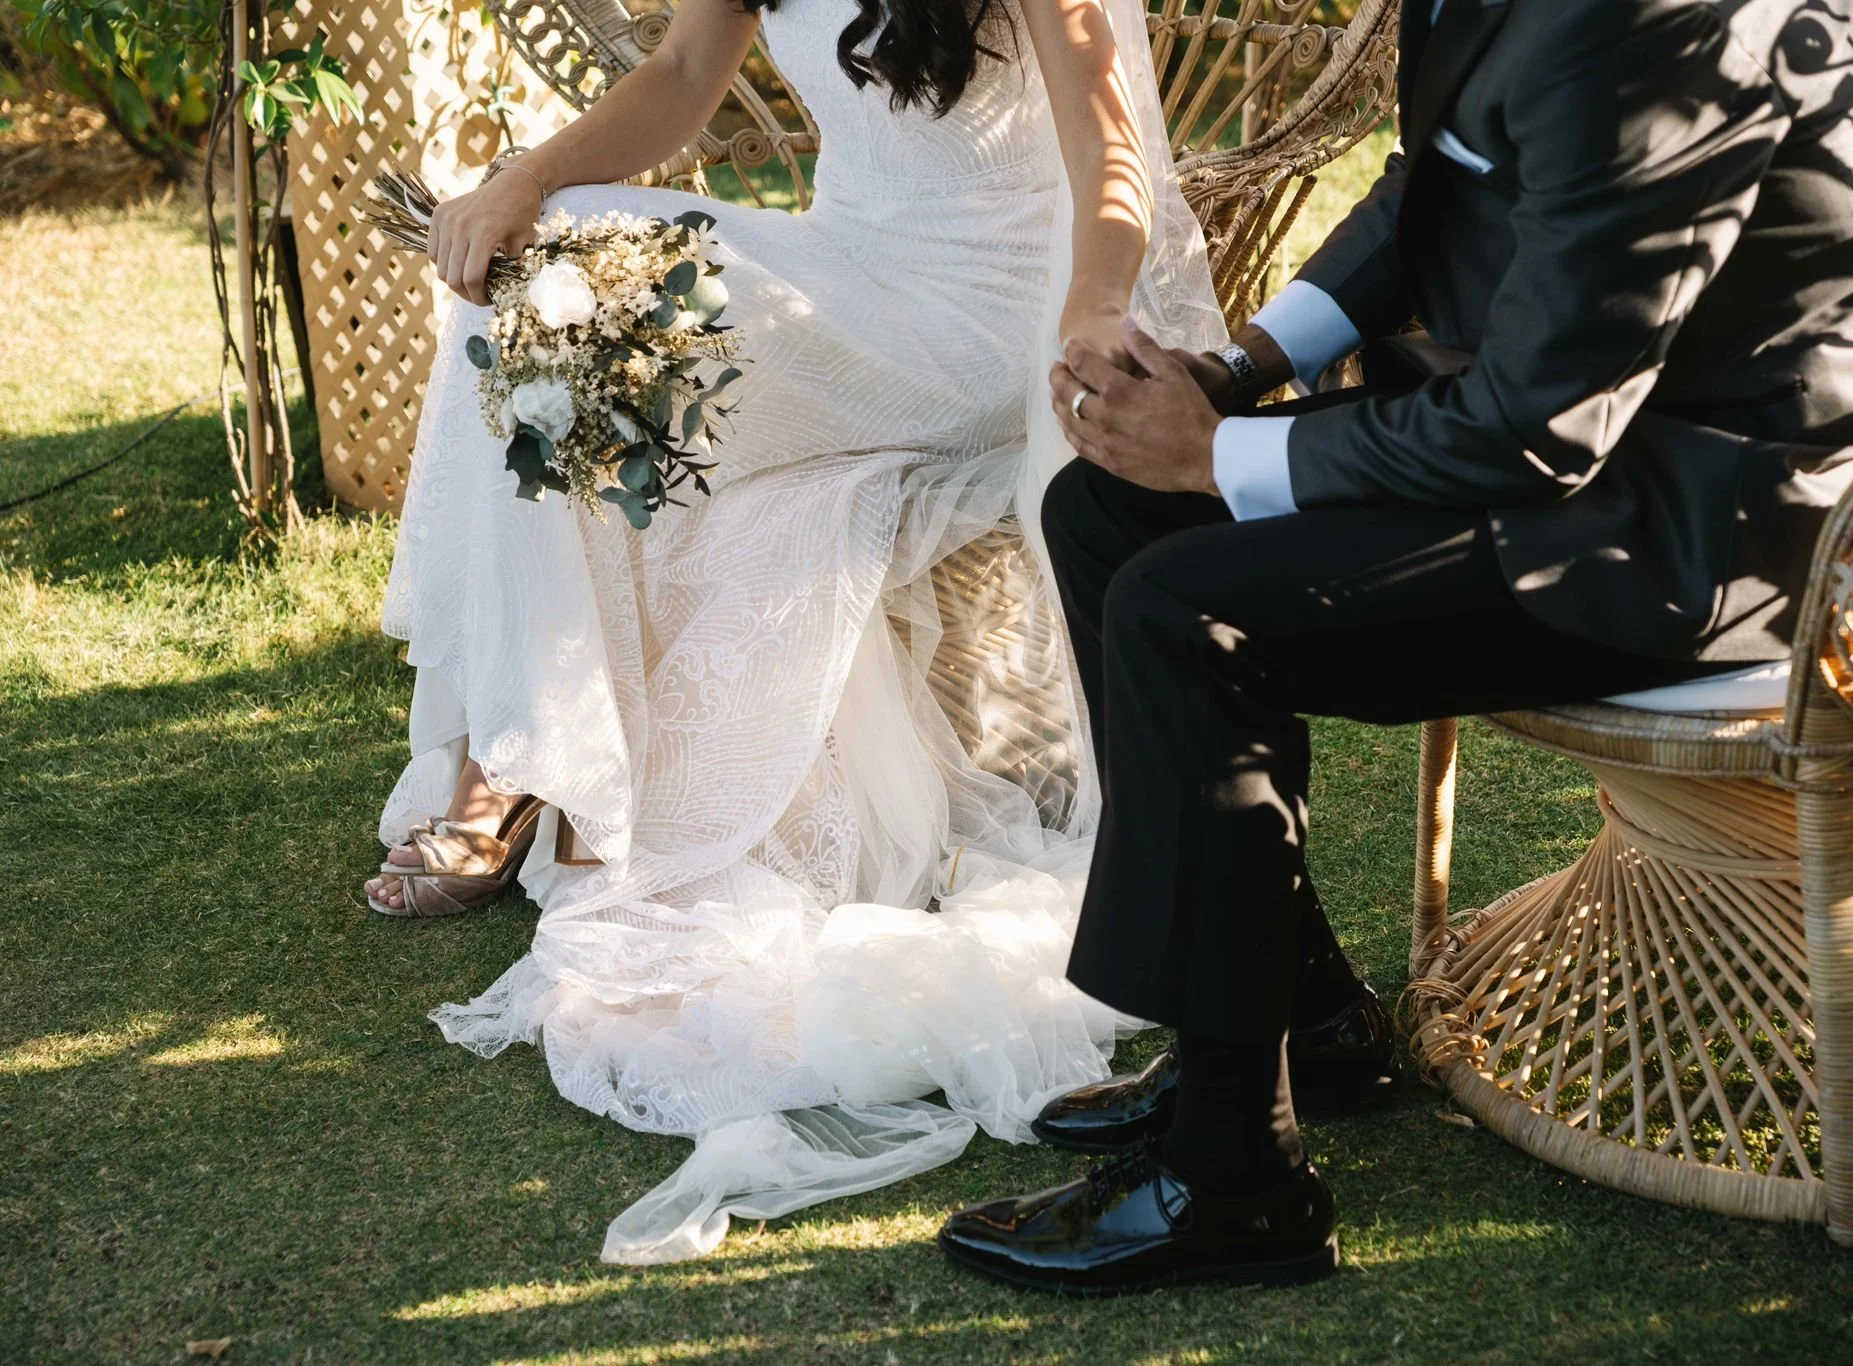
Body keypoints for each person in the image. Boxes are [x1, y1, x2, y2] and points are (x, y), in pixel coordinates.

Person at [938, 0, 1853, 1295]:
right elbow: (1424, 186)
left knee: (1179, 608)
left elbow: (1544, 428)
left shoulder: (1662, 19)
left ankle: (1234, 1186)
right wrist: (1243, 369)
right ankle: (1308, 1022)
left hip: (1685, 536)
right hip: (1564, 468)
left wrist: (1218, 454)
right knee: (1100, 510)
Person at [363, 0, 1274, 1263]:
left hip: (992, 312)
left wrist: (1092, 309)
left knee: (579, 335)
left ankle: (520, 759)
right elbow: (684, 75)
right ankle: (511, 750)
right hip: (847, 265)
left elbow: (1107, 138)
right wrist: (522, 176)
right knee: (541, 279)